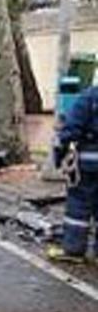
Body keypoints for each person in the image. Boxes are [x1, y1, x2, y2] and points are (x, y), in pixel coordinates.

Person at [51, 86, 98, 263]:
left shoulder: (89, 97)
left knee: (78, 207)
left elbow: (70, 130)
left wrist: (59, 155)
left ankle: (73, 249)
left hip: (88, 164)